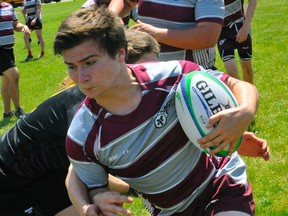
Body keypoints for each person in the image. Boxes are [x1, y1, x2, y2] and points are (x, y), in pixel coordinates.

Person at [54, 7, 261, 215]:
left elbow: (237, 85)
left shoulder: (172, 76)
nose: (81, 77)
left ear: (120, 53)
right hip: (169, 210)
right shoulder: (82, 136)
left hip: (220, 183)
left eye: (90, 63)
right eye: (71, 66)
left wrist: (245, 110)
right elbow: (90, 184)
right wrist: (97, 198)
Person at [108, 0, 223, 69]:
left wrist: (157, 34)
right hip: (149, 72)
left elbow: (208, 36)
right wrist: (112, 17)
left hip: (189, 78)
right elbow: (126, 1)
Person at [217, 0, 257, 84]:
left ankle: (249, 95)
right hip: (222, 31)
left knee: (247, 69)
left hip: (240, 27)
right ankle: (239, 96)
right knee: (231, 72)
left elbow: (252, 1)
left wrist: (245, 27)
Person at [0, 0, 27, 119]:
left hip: (8, 50)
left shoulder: (9, 7)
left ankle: (7, 112)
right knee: (14, 75)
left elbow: (15, 24)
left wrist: (23, 27)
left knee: (6, 81)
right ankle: (18, 110)